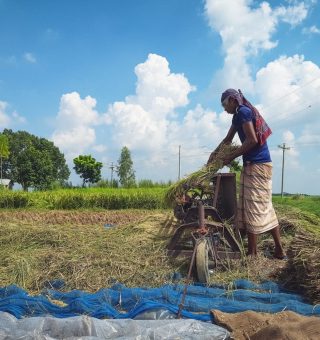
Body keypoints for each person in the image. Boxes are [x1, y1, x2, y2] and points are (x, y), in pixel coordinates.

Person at [207, 88, 286, 259]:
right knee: (261, 207)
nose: (224, 109)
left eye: (224, 104)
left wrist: (230, 156)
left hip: (258, 166)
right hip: (252, 165)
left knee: (253, 208)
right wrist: (214, 154)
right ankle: (278, 250)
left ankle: (252, 253)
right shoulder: (238, 115)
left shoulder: (243, 111)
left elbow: (252, 140)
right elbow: (228, 139)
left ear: (233, 100)